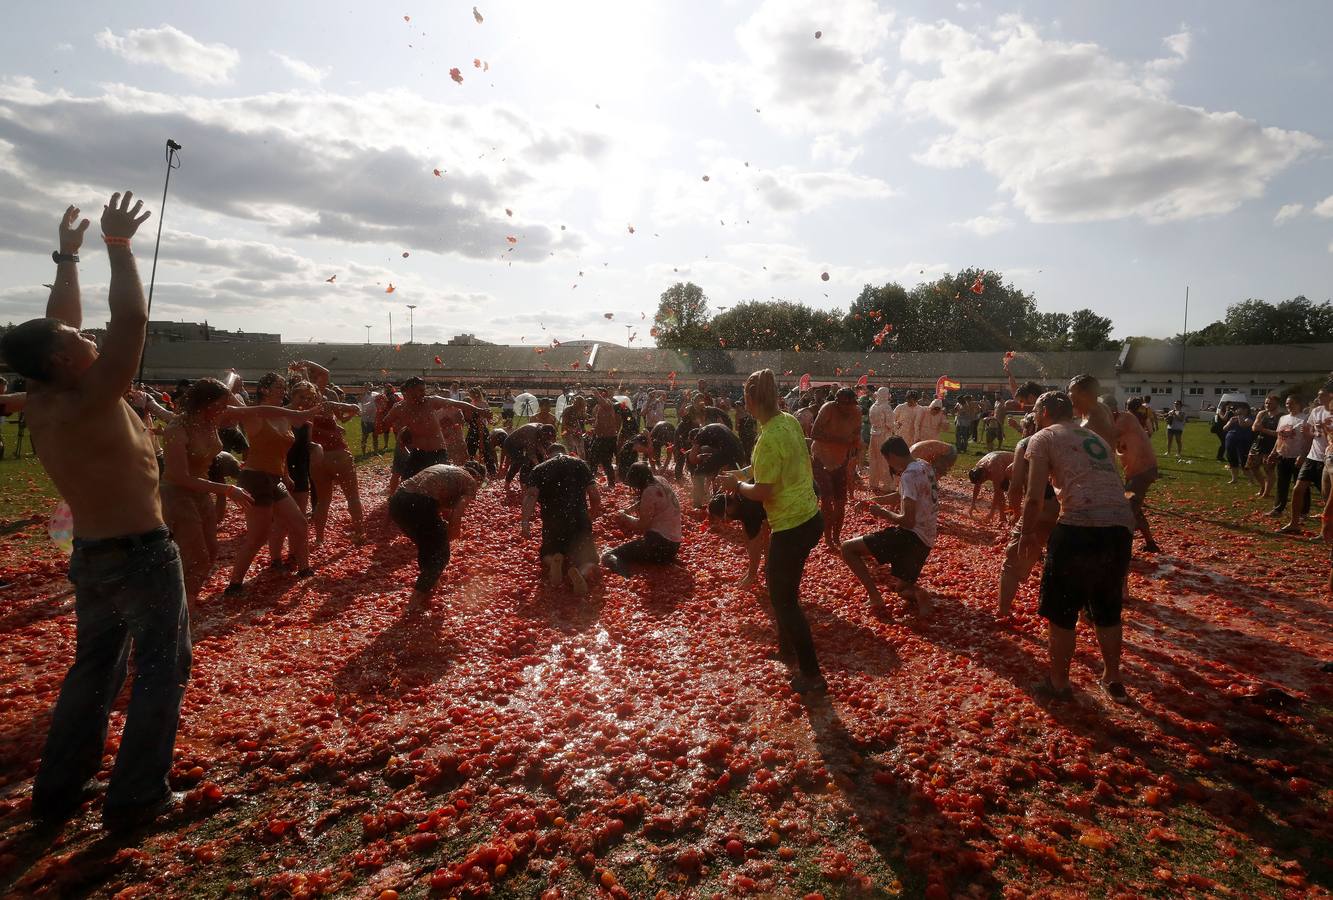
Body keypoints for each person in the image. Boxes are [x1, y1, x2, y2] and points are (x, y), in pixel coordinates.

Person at [2, 195, 190, 830]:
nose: (86, 337)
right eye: (78, 341)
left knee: (93, 668)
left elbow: (59, 320)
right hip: (140, 551)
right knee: (161, 667)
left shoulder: (42, 395)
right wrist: (118, 247)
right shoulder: (92, 394)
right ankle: (138, 795)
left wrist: (68, 255)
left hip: (90, 553)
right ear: (64, 360)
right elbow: (130, 321)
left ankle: (58, 791)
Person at [1021, 391, 1135, 702]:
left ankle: (1058, 683)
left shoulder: (1043, 437)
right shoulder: (1094, 437)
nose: (1033, 415)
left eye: (1034, 410)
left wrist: (1024, 532)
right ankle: (1113, 677)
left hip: (1079, 527)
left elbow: (1033, 496)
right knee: (1108, 608)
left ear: (1044, 411)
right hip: (1120, 527)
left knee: (1062, 612)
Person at [718, 370, 825, 694]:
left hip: (791, 525)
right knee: (782, 590)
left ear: (751, 400)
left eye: (745, 399)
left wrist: (737, 484)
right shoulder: (788, 422)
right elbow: (773, 465)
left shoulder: (767, 438)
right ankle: (786, 649)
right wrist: (743, 472)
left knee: (784, 598)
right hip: (810, 517)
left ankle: (812, 675)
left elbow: (763, 490)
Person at [161, 379, 303, 602]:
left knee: (211, 552)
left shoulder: (211, 420)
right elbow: (180, 477)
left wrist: (305, 412)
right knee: (196, 556)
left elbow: (260, 409)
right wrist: (226, 489)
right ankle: (182, 609)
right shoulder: (176, 429)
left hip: (202, 491)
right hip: (177, 495)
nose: (224, 410)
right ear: (204, 403)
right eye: (220, 404)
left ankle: (186, 602)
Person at [224, 372, 316, 591]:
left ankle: (304, 569)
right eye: (277, 387)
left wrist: (285, 475)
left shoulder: (284, 415)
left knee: (299, 523)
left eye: (283, 387)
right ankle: (235, 583)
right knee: (258, 536)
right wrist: (234, 375)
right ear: (264, 389)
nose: (283, 391)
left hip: (275, 479)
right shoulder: (254, 414)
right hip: (255, 478)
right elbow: (226, 392)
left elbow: (281, 452)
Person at [840, 436, 938, 617]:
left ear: (892, 456)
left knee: (847, 548)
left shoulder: (908, 475)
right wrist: (873, 501)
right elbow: (900, 495)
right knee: (902, 590)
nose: (890, 465)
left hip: (910, 536)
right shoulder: (924, 466)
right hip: (927, 540)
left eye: (887, 460)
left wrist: (882, 513)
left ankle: (875, 597)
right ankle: (917, 593)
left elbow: (908, 521)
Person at [388, 462, 481, 605]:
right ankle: (413, 603)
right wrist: (453, 534)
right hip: (420, 503)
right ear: (478, 477)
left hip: (397, 503)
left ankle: (431, 584)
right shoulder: (471, 481)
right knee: (441, 555)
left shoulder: (445, 469)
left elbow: (439, 507)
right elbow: (456, 514)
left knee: (426, 545)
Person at [997, 414, 1059, 620]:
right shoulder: (1066, 439)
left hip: (1040, 509)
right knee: (1068, 564)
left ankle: (1003, 612)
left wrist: (1016, 515)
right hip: (1070, 509)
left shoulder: (1026, 444)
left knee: (1013, 564)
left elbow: (1015, 489)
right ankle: (1082, 614)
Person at [523, 445, 603, 594]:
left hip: (553, 522)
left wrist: (525, 522)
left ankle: (553, 560)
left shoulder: (539, 469)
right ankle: (582, 574)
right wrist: (591, 514)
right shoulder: (580, 464)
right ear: (566, 452)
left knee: (547, 552)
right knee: (589, 559)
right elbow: (594, 494)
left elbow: (531, 495)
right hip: (579, 518)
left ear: (548, 455)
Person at [297, 381, 363, 544]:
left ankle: (319, 538)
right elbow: (355, 409)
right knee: (352, 497)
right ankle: (360, 533)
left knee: (323, 500)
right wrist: (335, 404)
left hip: (318, 458)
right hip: (339, 455)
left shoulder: (299, 411)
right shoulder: (325, 405)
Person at [382, 377, 483, 478]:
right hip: (418, 453)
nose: (424, 393)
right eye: (421, 390)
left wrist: (479, 410)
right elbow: (381, 428)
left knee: (442, 485)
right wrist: (380, 411)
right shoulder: (399, 408)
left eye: (424, 390)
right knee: (407, 485)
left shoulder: (430, 402)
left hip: (438, 452)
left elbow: (456, 403)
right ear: (410, 391)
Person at [603, 462, 682, 576]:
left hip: (659, 546)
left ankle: (625, 579)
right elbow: (653, 502)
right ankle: (664, 561)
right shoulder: (660, 480)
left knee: (609, 555)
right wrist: (629, 509)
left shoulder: (649, 491)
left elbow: (641, 526)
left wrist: (625, 517)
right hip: (674, 546)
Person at [1104, 396, 1161, 554]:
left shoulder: (1125, 418)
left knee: (1126, 510)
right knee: (1134, 508)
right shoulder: (1115, 421)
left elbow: (1108, 436)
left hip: (1143, 470)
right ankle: (1150, 543)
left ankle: (1119, 549)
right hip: (1134, 472)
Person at [810, 387, 863, 549]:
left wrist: (855, 445)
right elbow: (814, 433)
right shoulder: (828, 409)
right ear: (837, 402)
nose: (847, 409)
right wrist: (840, 440)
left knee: (841, 502)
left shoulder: (857, 412)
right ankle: (827, 538)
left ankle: (836, 537)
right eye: (843, 405)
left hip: (841, 460)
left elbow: (856, 434)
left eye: (850, 405)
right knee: (827, 499)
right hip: (821, 458)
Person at [1282, 384, 1332, 534]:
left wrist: (1322, 430)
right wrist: (1303, 454)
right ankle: (1294, 523)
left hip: (1328, 460)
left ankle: (1326, 531)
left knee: (1327, 497)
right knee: (1298, 489)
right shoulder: (1316, 411)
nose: (1318, 398)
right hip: (1312, 457)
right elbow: (1309, 435)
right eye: (1318, 394)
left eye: (1322, 395)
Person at [1269, 394, 1309, 519]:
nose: (1289, 406)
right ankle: (1278, 508)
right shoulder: (1283, 418)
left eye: (1291, 403)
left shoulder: (1305, 418)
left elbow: (1308, 439)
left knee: (1301, 486)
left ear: (1298, 404)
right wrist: (1273, 452)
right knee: (1282, 484)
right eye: (1287, 403)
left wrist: (1303, 455)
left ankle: (1303, 512)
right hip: (1283, 455)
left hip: (1297, 456)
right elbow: (1279, 437)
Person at [1068, 374, 1117, 448]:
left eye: (1070, 391)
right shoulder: (1103, 407)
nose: (1068, 394)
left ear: (1083, 395)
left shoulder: (1089, 424)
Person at [502, 422, 556, 487]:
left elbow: (539, 443)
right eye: (546, 437)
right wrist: (538, 465)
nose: (546, 440)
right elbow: (531, 454)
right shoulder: (531, 434)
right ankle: (507, 482)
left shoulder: (542, 428)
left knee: (529, 461)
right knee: (519, 461)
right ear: (542, 433)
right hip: (511, 443)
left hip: (522, 444)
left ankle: (524, 481)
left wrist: (544, 455)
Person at [968, 450, 1015, 526]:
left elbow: (998, 492)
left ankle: (1009, 516)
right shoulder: (979, 467)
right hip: (1003, 465)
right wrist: (973, 503)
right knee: (1003, 493)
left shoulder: (994, 468)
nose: (984, 481)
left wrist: (991, 513)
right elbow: (977, 484)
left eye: (983, 479)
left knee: (1012, 493)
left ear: (984, 474)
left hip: (1015, 465)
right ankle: (1004, 515)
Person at [1248, 395, 1281, 499]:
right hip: (1258, 444)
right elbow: (1254, 427)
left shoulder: (1281, 416)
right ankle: (1263, 486)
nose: (1267, 405)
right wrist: (1256, 427)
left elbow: (1279, 434)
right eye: (1266, 403)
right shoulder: (1261, 414)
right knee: (1252, 467)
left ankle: (1267, 492)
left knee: (1269, 470)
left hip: (1271, 446)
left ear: (1277, 404)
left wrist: (1263, 430)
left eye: (1270, 403)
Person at [587, 387, 621, 487]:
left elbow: (604, 404)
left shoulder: (608, 403)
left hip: (607, 438)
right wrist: (593, 425)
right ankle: (591, 481)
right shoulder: (598, 407)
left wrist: (597, 393)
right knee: (593, 459)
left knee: (606, 461)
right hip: (600, 437)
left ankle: (611, 483)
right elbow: (601, 421)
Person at [867, 387, 895, 492]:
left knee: (873, 459)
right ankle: (887, 485)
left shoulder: (873, 406)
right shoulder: (886, 407)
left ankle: (873, 483)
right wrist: (896, 426)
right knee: (884, 460)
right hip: (883, 435)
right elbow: (890, 424)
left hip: (873, 434)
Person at [1222, 402, 1256, 486]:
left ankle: (1251, 480)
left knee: (1244, 461)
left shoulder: (1250, 418)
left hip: (1243, 441)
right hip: (1231, 439)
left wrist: (1240, 416)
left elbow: (1243, 425)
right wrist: (1230, 422)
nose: (1236, 410)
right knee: (1232, 459)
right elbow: (1224, 428)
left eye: (1239, 408)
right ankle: (1234, 479)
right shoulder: (1233, 418)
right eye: (1236, 409)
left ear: (1245, 409)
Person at [560, 395, 587, 459]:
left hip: (576, 429)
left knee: (581, 450)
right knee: (572, 449)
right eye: (579, 404)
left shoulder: (581, 410)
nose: (581, 406)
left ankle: (582, 462)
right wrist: (572, 430)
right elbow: (564, 424)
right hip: (566, 431)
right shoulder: (568, 410)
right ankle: (572, 463)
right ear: (575, 403)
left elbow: (583, 420)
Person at [358, 383, 381, 455]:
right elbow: (359, 402)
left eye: (370, 387)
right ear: (364, 388)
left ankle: (376, 451)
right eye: (367, 387)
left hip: (374, 418)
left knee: (375, 436)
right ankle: (363, 452)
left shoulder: (376, 394)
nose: (369, 388)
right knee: (365, 436)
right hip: (365, 419)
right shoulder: (362, 395)